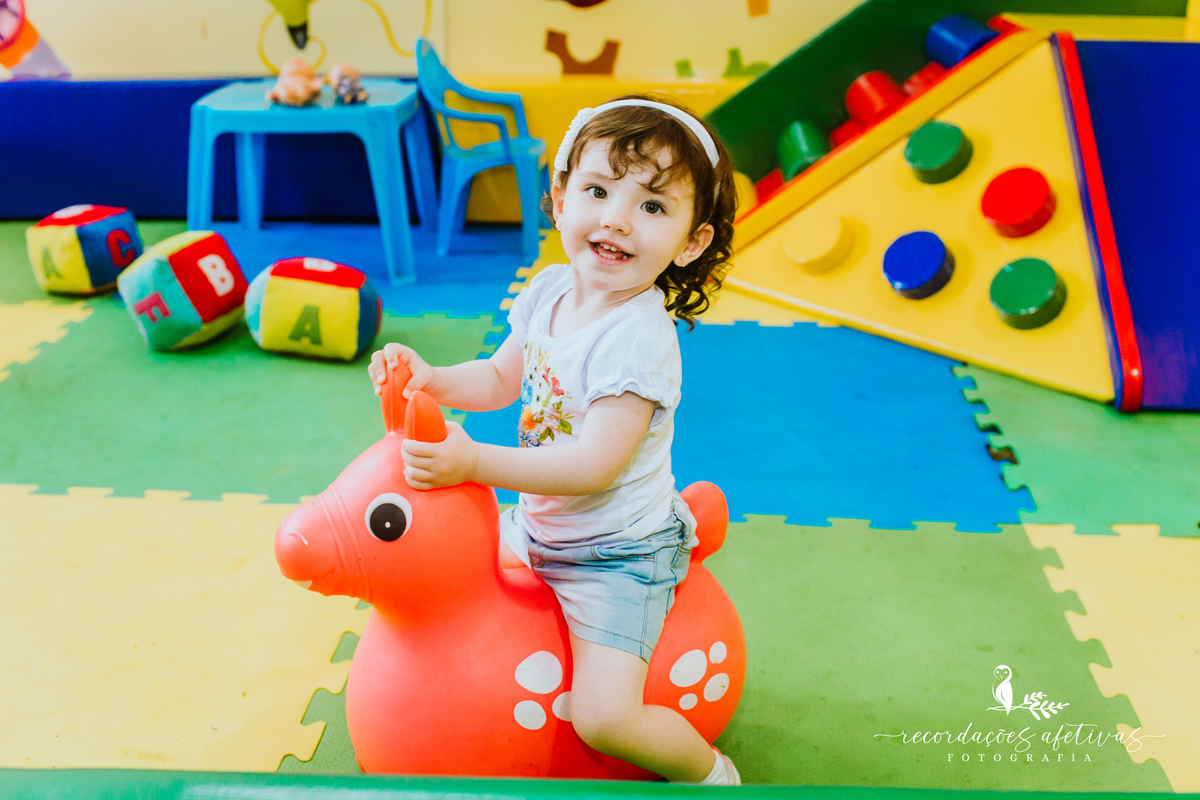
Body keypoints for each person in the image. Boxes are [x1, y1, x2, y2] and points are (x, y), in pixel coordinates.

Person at [368, 95, 739, 784]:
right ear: (561, 197)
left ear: (692, 242)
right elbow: (502, 376)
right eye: (598, 191)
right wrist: (434, 378)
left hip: (615, 555)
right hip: (541, 525)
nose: (617, 219)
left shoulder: (638, 340)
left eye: (653, 207)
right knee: (447, 585)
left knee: (605, 718)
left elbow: (597, 465)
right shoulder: (547, 291)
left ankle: (710, 773)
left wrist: (473, 461)